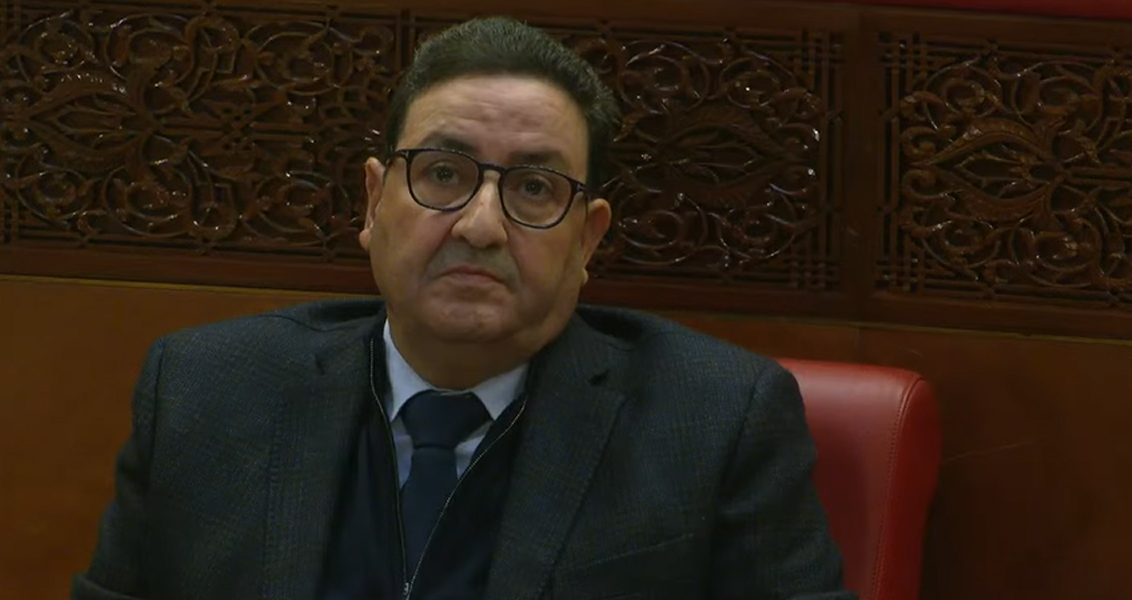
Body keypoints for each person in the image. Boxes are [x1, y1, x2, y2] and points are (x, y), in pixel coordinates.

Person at [72, 15, 853, 600]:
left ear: (587, 239)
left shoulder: (714, 423)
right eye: (443, 173)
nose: (481, 226)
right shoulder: (207, 391)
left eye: (535, 188)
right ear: (374, 201)